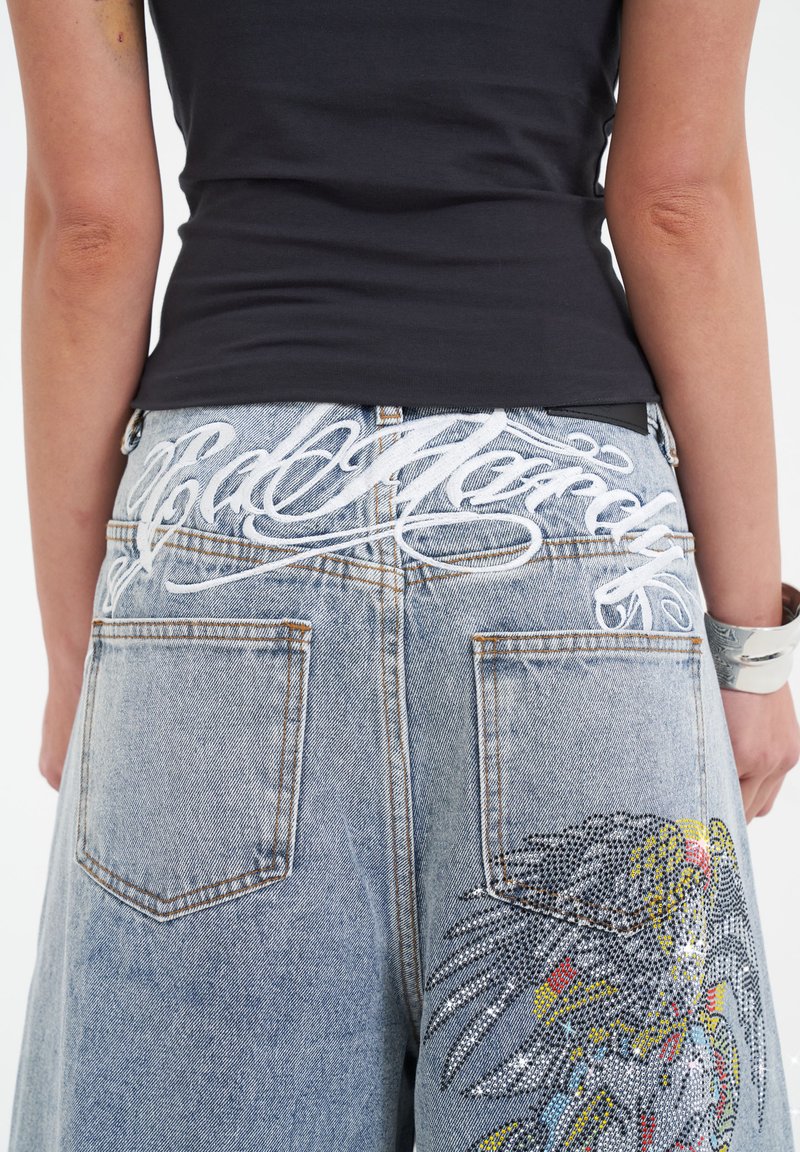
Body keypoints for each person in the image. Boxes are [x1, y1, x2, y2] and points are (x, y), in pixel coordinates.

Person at [5, 0, 799, 1147]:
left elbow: (88, 230)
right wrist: (749, 649)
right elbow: (679, 200)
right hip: (566, 532)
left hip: (224, 527)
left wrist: (80, 656)